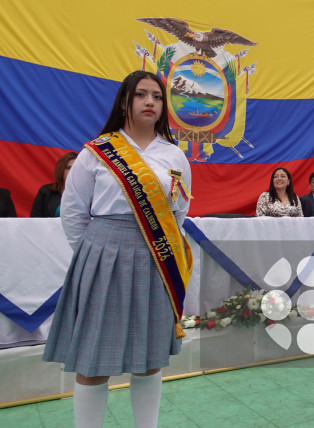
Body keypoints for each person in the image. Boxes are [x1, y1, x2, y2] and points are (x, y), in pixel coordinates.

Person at [43, 71, 192, 428]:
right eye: (141, 95)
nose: (149, 102)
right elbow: (75, 213)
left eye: (156, 96)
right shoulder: (96, 152)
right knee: (93, 360)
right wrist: (95, 254)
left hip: (156, 258)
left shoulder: (174, 156)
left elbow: (179, 212)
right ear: (125, 102)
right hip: (102, 255)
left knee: (149, 357)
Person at [30, 151, 78, 217]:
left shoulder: (89, 193)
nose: (72, 171)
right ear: (61, 170)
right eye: (68, 168)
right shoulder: (46, 191)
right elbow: (35, 219)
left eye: (76, 168)